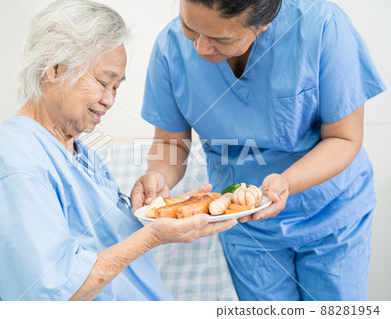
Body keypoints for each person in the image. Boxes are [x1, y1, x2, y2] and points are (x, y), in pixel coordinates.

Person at [0, 0, 236, 301]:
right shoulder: (11, 161)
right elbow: (49, 295)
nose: (110, 100)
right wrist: (152, 236)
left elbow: (102, 242)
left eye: (116, 88)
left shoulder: (76, 151)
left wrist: (159, 209)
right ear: (55, 68)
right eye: (103, 82)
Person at [132, 0, 386, 301]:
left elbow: (344, 139)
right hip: (245, 223)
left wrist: (287, 183)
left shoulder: (322, 26)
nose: (200, 48)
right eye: (189, 28)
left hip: (330, 214)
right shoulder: (169, 47)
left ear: (264, 22)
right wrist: (159, 178)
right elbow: (172, 144)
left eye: (221, 39)